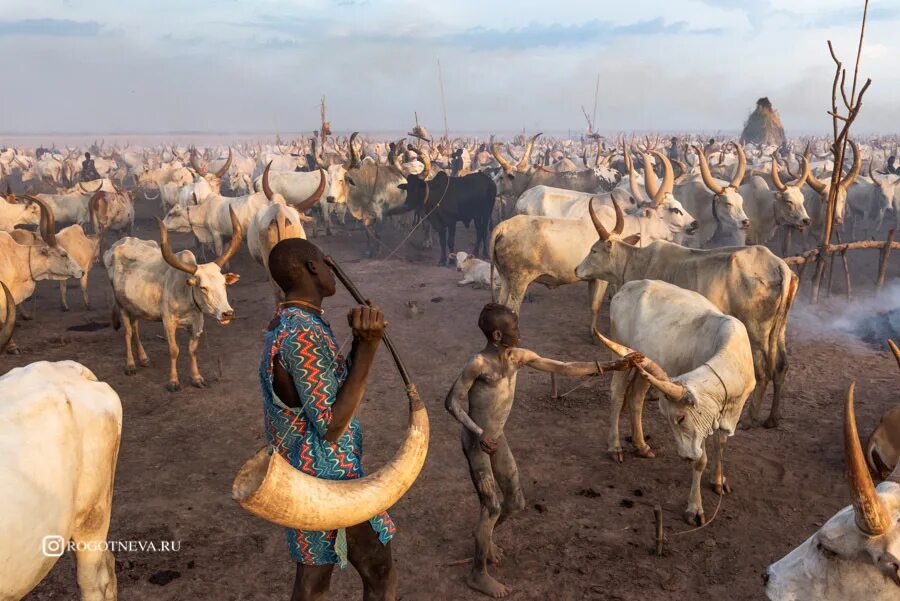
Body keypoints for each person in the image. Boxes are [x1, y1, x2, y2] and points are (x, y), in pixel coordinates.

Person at [444, 303, 642, 598]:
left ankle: (485, 537)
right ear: (498, 335)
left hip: (497, 439)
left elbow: (562, 367)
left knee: (515, 502)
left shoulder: (519, 358)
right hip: (477, 443)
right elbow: (452, 402)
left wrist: (608, 366)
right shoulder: (478, 364)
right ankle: (477, 573)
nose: (520, 335)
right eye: (514, 330)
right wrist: (477, 432)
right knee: (493, 506)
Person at [259, 238, 397, 601]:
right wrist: (367, 348)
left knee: (314, 578)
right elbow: (331, 425)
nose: (332, 270)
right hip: (328, 477)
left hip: (308, 473)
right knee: (379, 572)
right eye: (325, 262)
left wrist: (358, 341)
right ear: (312, 268)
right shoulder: (303, 330)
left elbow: (327, 391)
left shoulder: (293, 321)